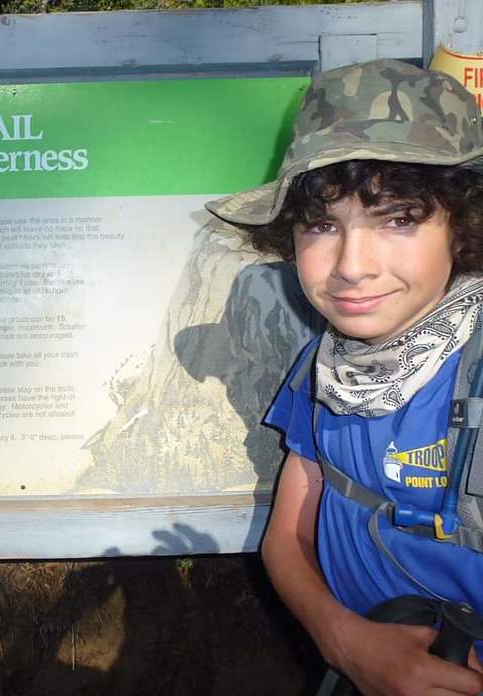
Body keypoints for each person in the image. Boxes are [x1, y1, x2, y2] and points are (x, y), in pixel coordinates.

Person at [207, 58, 483, 696]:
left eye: (399, 219)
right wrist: (345, 642)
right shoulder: (326, 366)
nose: (351, 266)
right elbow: (289, 533)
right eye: (323, 225)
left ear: (462, 228)